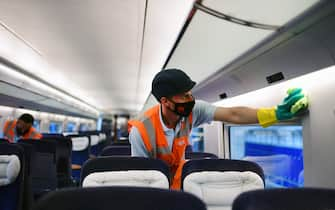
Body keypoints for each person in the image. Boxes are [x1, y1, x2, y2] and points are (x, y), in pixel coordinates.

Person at [128, 68, 308, 190]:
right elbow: (143, 177)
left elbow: (233, 115)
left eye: (190, 93)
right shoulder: (141, 131)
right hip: (156, 187)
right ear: (165, 102)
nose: (191, 99)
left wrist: (275, 114)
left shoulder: (193, 110)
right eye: (184, 96)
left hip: (183, 182)